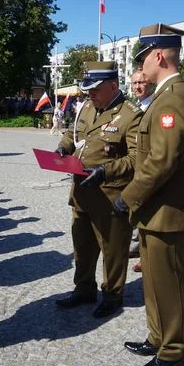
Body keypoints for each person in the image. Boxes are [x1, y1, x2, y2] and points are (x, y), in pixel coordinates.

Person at [117, 23, 184, 366]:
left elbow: (162, 160)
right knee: (153, 281)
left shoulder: (173, 97)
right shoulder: (165, 95)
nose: (141, 68)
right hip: (155, 210)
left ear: (159, 55)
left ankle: (173, 348)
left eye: (142, 59)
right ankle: (158, 337)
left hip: (167, 210)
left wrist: (128, 196)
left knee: (169, 282)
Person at [54, 61, 142, 319]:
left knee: (113, 248)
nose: (89, 93)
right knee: (82, 245)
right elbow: (73, 135)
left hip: (110, 195)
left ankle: (112, 294)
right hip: (81, 192)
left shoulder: (130, 114)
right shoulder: (86, 108)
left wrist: (105, 171)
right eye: (88, 89)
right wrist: (63, 148)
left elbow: (137, 158)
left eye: (95, 89)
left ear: (113, 86)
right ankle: (83, 288)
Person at [128, 69, 153, 272]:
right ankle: (138, 247)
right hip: (133, 165)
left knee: (147, 212)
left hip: (148, 168)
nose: (137, 86)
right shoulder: (134, 107)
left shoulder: (154, 106)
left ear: (150, 84)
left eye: (141, 83)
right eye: (134, 83)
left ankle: (147, 256)